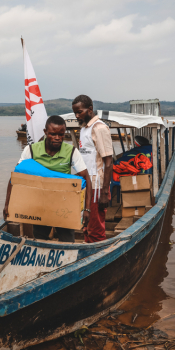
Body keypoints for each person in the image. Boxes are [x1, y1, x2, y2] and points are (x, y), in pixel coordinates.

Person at [3, 115, 92, 243]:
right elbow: (15, 178)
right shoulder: (31, 150)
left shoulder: (71, 151)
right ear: (45, 132)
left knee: (67, 241)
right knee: (40, 240)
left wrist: (87, 209)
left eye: (61, 135)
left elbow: (86, 179)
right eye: (52, 134)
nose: (57, 138)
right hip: (39, 204)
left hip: (64, 205)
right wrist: (7, 205)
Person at [72, 95, 113, 243]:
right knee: (86, 223)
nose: (77, 116)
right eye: (75, 113)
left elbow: (108, 162)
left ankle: (97, 255)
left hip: (96, 186)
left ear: (90, 109)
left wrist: (105, 192)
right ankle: (86, 249)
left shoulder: (100, 128)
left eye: (80, 112)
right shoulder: (84, 129)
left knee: (95, 228)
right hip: (85, 185)